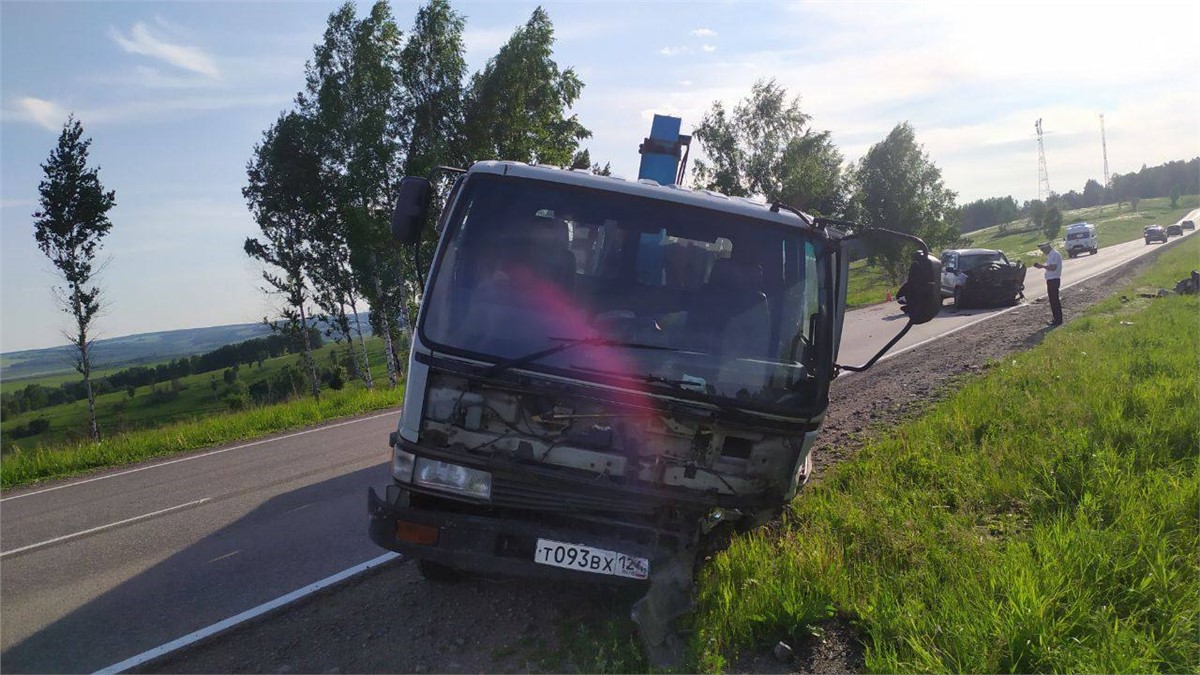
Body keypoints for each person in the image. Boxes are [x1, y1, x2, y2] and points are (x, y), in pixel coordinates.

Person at [1033, 242, 1063, 326]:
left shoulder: (1054, 254)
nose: (1042, 251)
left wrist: (1042, 266)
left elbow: (1053, 268)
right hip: (1051, 280)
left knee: (1054, 301)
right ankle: (1056, 318)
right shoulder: (1051, 255)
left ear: (1047, 247)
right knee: (1053, 300)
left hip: (1053, 280)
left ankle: (1058, 320)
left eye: (1043, 249)